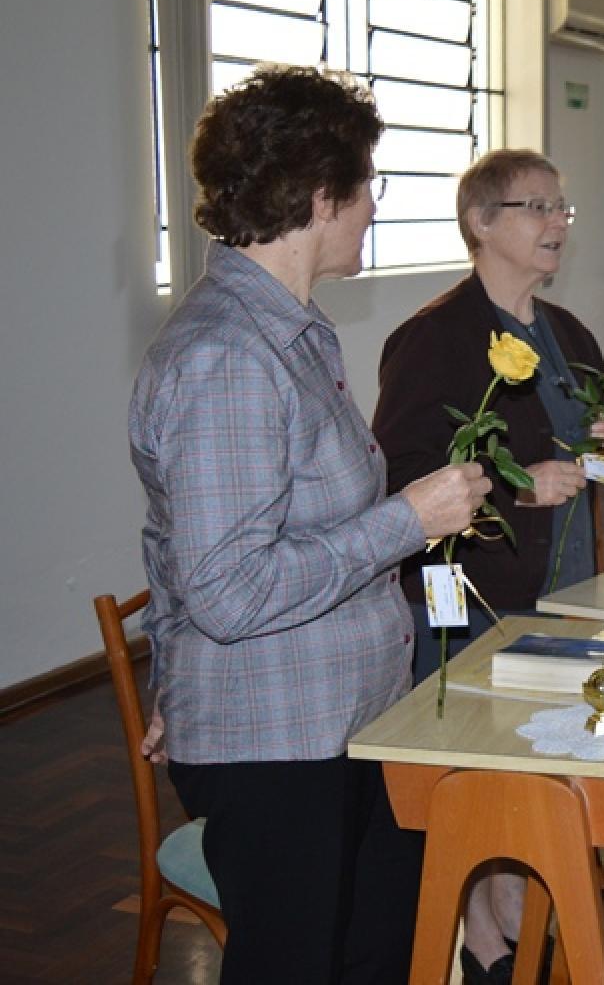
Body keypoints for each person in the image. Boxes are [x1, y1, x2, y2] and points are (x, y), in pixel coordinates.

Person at [128, 65, 491, 985]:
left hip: (336, 715)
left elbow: (177, 548)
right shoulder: (229, 356)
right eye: (367, 187)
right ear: (323, 197)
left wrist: (172, 669)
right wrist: (409, 519)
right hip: (276, 738)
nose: (373, 209)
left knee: (372, 949)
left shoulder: (289, 330)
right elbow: (228, 586)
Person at [371, 148, 604, 984]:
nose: (559, 223)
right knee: (470, 759)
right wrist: (518, 495)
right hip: (469, 588)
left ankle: (520, 887)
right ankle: (473, 917)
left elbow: (603, 465)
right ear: (482, 224)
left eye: (563, 209)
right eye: (537, 207)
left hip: (561, 586)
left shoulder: (569, 334)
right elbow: (403, 476)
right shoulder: (432, 337)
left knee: (530, 750)